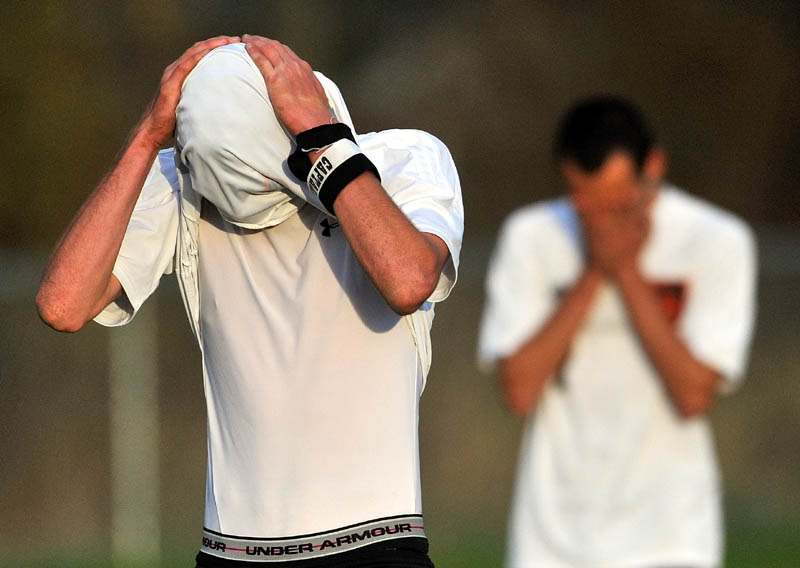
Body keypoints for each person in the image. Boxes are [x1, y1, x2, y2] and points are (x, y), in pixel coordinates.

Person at [36, 34, 464, 568]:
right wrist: (146, 137)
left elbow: (407, 280)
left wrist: (322, 139)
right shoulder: (182, 181)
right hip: (229, 552)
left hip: (376, 546)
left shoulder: (405, 159)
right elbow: (62, 304)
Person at [477, 96, 756, 567]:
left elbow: (693, 395)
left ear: (654, 166)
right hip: (551, 542)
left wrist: (624, 273)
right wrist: (593, 275)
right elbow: (520, 390)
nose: (603, 220)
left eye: (619, 202)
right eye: (587, 204)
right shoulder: (531, 236)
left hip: (672, 539)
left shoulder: (716, 240)